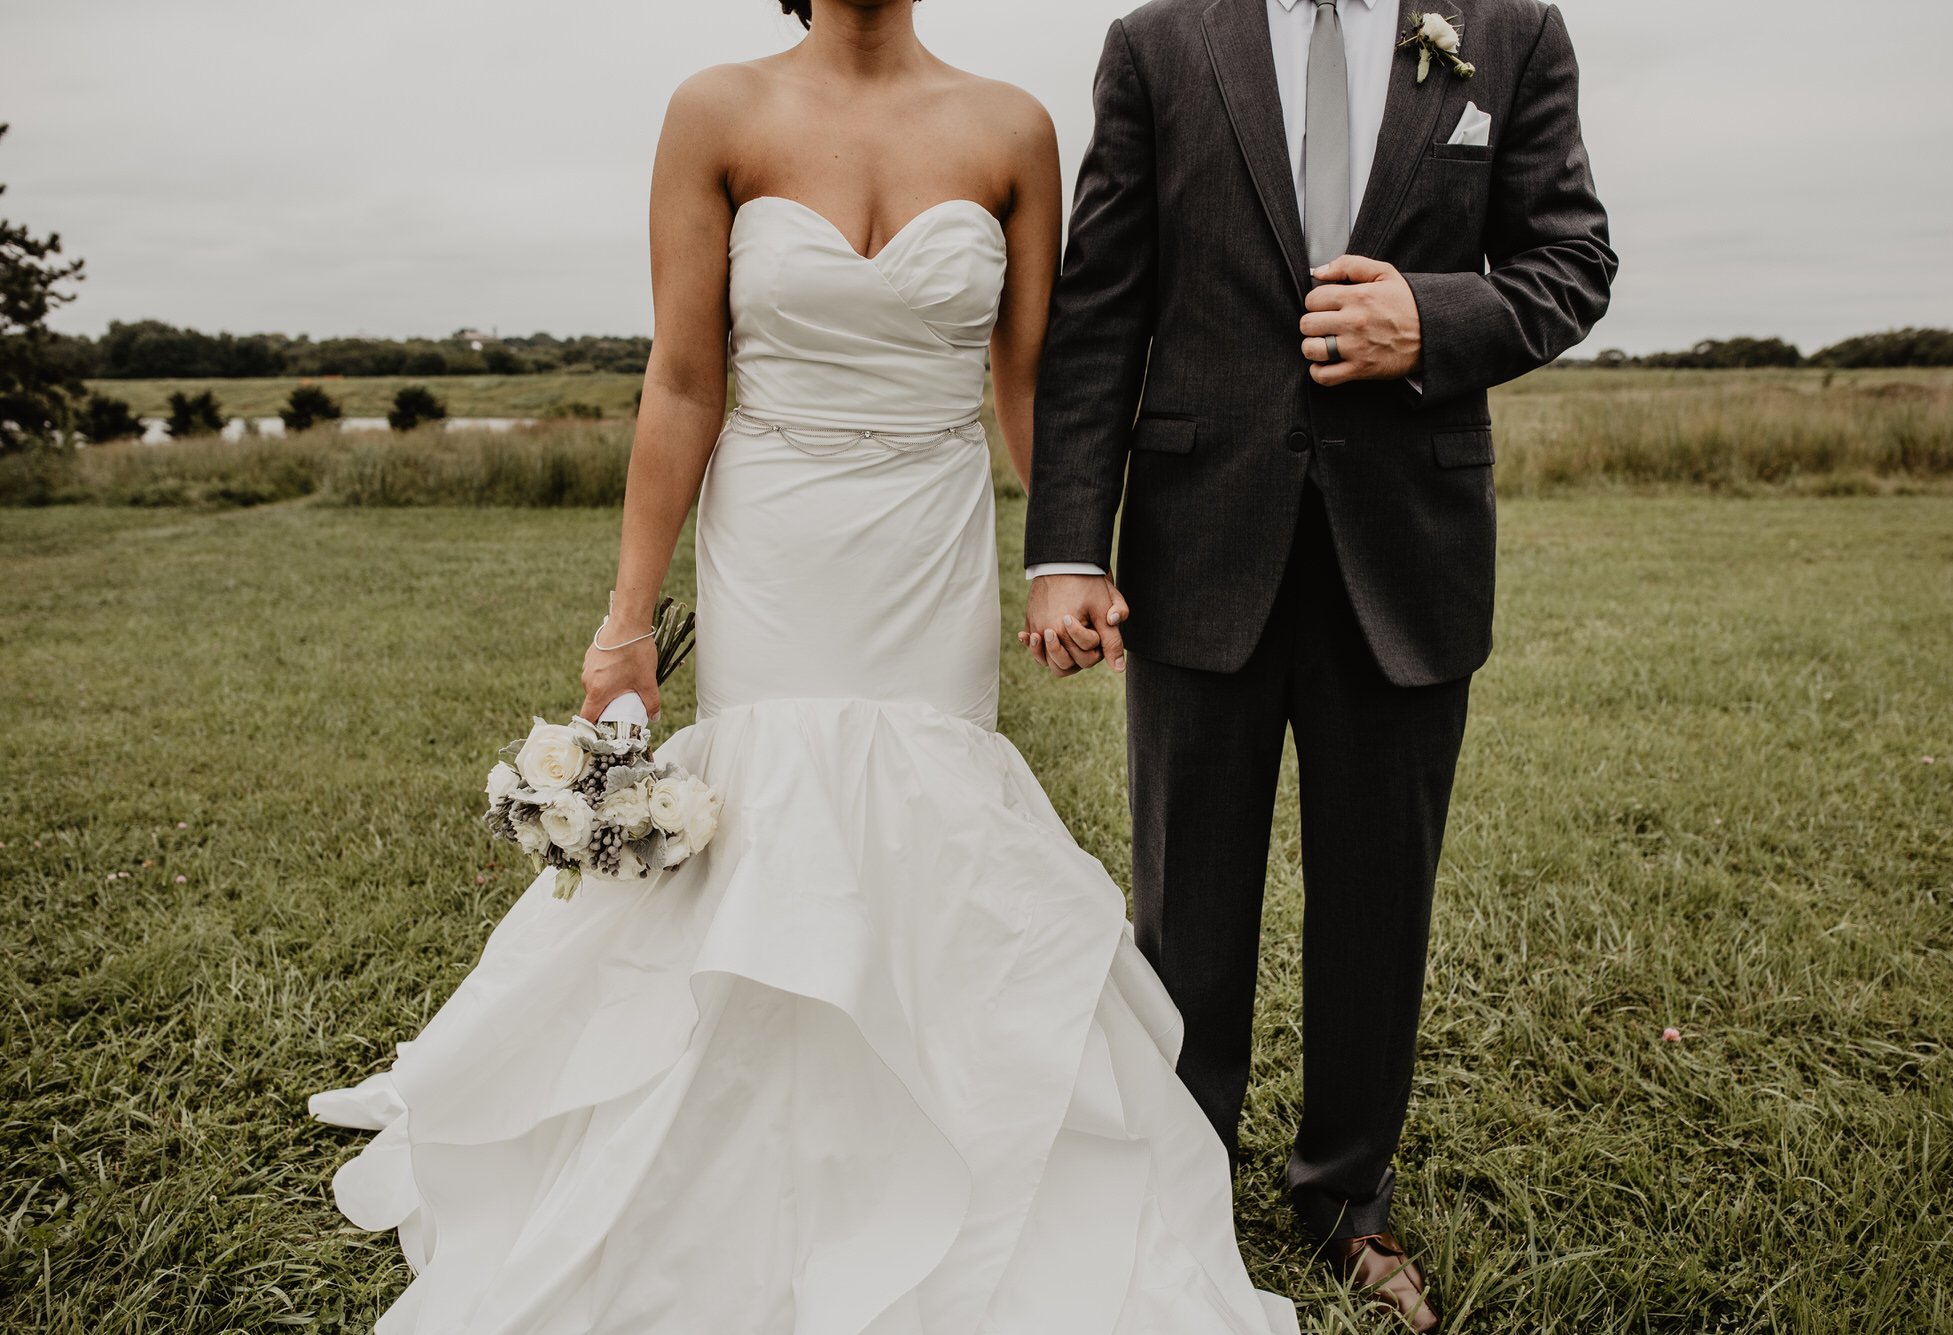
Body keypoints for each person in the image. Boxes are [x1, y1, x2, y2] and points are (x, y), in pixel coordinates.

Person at [309, 2, 1295, 1331]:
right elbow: (683, 379)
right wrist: (628, 617)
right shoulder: (717, 110)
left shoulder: (1013, 127)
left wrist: (1072, 554)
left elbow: (1032, 381)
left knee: (926, 812)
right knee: (779, 813)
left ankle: (936, 1144)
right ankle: (738, 1149)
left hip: (928, 533)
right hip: (775, 525)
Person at [1021, 0, 1615, 1328]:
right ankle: (1177, 1187)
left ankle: (1348, 1196)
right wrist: (1068, 540)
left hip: (1408, 550)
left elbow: (1574, 260)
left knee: (1378, 899)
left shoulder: (1509, 31)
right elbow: (1102, 308)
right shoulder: (1161, 43)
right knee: (1186, 908)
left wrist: (1435, 317)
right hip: (1200, 542)